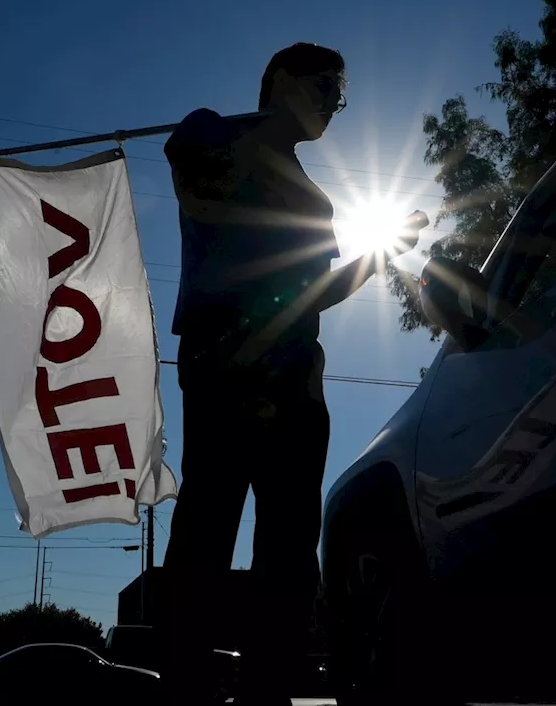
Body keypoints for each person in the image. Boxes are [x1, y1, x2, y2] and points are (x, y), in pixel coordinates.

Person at [161, 43, 417, 705]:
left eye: (341, 94)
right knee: (210, 516)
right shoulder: (212, 133)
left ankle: (271, 678)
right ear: (280, 80)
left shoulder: (317, 199)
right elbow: (201, 183)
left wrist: (377, 256)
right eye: (326, 86)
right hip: (224, 357)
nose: (335, 103)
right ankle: (184, 678)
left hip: (298, 371)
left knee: (291, 532)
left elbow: (316, 289)